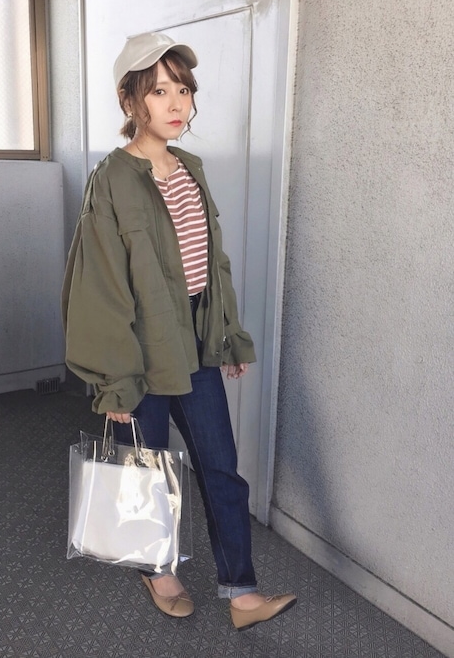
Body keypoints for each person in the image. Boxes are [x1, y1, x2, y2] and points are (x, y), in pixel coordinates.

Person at [61, 31, 297, 631]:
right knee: (145, 470)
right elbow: (100, 286)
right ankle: (158, 572)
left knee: (221, 469)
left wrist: (227, 334)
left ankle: (241, 591)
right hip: (139, 350)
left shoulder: (190, 168)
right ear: (130, 100)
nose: (177, 103)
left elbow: (212, 263)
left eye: (184, 90)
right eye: (160, 90)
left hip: (194, 343)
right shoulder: (112, 178)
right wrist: (114, 380)